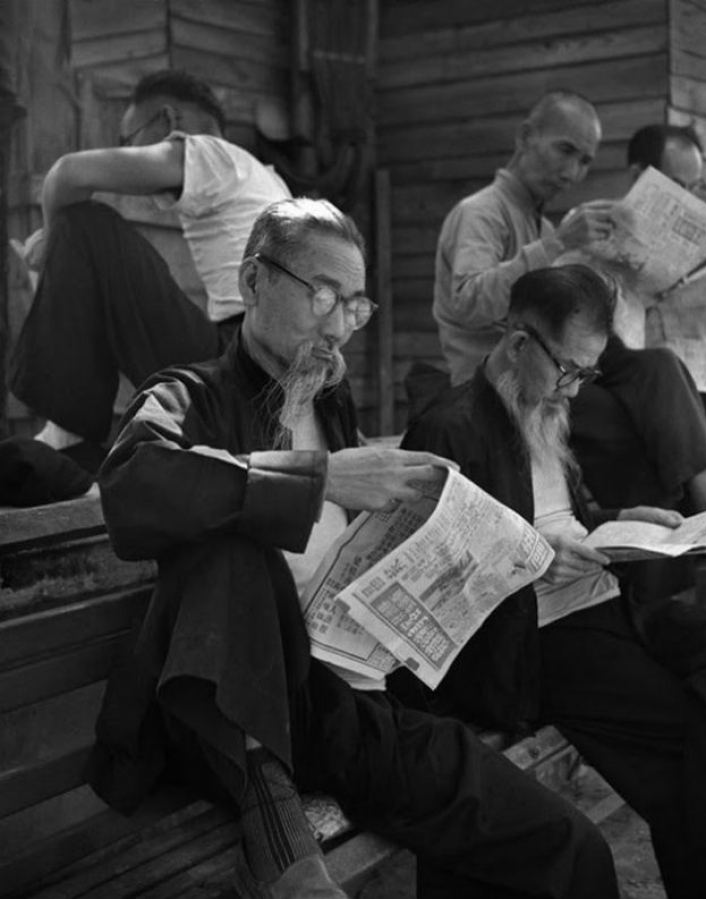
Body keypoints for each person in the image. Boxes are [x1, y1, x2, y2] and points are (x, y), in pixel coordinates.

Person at [86, 198, 619, 899]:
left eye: (353, 304)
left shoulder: (329, 403)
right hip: (258, 705)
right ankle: (272, 825)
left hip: (360, 694)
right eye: (322, 295)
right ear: (253, 282)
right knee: (232, 547)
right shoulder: (188, 394)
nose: (338, 326)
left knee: (563, 845)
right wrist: (322, 478)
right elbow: (129, 484)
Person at [400, 263, 706, 899]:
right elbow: (427, 578)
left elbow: (566, 516)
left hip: (601, 597)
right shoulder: (450, 426)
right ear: (518, 345)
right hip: (535, 636)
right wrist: (532, 560)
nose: (574, 389)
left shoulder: (544, 403)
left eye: (587, 374)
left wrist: (621, 521)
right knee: (700, 728)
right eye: (569, 370)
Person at [433, 89, 706, 514]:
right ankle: (661, 554)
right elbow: (466, 302)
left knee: (659, 366)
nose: (572, 172)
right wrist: (558, 243)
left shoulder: (540, 221)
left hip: (552, 362)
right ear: (524, 137)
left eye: (585, 160)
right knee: (620, 422)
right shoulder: (481, 211)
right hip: (498, 373)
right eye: (565, 150)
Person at [9, 69, 291, 470]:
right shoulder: (269, 180)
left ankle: (68, 431)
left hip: (236, 377)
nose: (127, 149)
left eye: (128, 138)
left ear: (169, 121)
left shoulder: (211, 152)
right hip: (264, 389)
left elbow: (67, 174)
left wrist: (52, 241)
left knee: (83, 224)